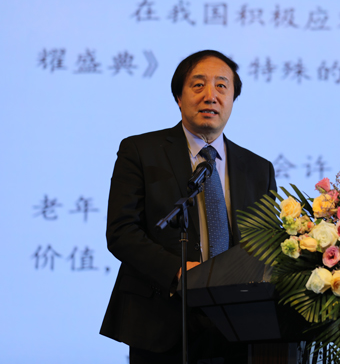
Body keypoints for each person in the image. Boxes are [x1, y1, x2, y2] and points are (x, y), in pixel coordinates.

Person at [100, 50, 277, 363]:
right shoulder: (140, 150)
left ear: (233, 99)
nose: (211, 96)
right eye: (198, 85)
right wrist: (179, 271)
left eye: (222, 86)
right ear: (179, 98)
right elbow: (122, 232)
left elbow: (266, 246)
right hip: (161, 322)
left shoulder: (258, 169)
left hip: (237, 329)